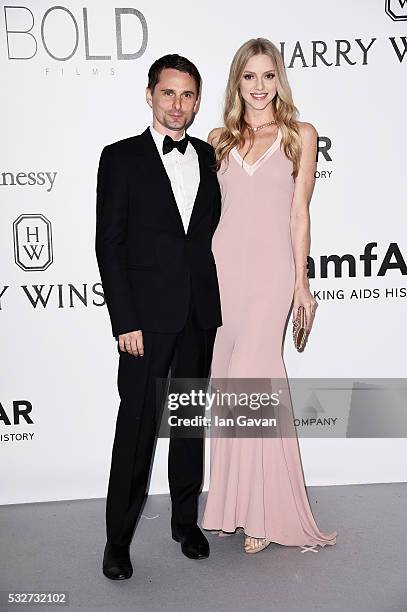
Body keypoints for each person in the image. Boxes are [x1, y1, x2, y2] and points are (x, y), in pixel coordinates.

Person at [201, 38, 337, 553]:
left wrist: (301, 282)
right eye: (249, 77)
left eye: (268, 76)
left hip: (271, 275)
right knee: (229, 389)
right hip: (221, 274)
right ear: (237, 82)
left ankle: (264, 510)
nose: (259, 87)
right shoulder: (218, 139)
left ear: (280, 80)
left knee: (257, 381)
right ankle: (233, 505)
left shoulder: (301, 134)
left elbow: (299, 212)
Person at [96, 54, 222, 579]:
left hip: (198, 313)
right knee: (138, 427)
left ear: (197, 101)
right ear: (150, 95)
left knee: (190, 422)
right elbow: (109, 244)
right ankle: (117, 541)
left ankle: (184, 521)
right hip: (144, 322)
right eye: (168, 93)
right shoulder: (119, 157)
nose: (178, 105)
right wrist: (124, 320)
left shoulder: (210, 156)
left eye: (188, 95)